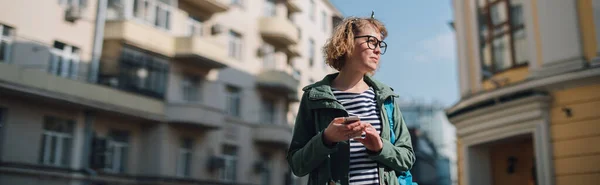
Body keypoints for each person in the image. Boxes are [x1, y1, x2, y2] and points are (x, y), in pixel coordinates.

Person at [286, 16, 415, 185]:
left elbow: (407, 159)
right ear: (347, 43)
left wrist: (380, 147)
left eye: (380, 44)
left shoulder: (386, 98)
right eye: (371, 41)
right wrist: (326, 138)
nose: (377, 50)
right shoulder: (314, 97)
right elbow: (297, 165)